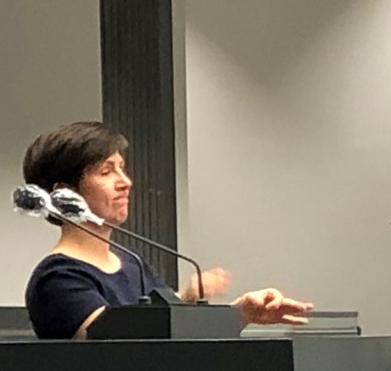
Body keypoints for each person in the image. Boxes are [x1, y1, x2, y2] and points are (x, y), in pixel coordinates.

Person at [21, 120, 312, 340]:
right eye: (106, 172)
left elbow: (168, 336)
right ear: (64, 195)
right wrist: (205, 306)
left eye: (122, 168)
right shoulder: (58, 277)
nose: (126, 182)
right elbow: (118, 343)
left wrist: (237, 313)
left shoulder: (132, 264)